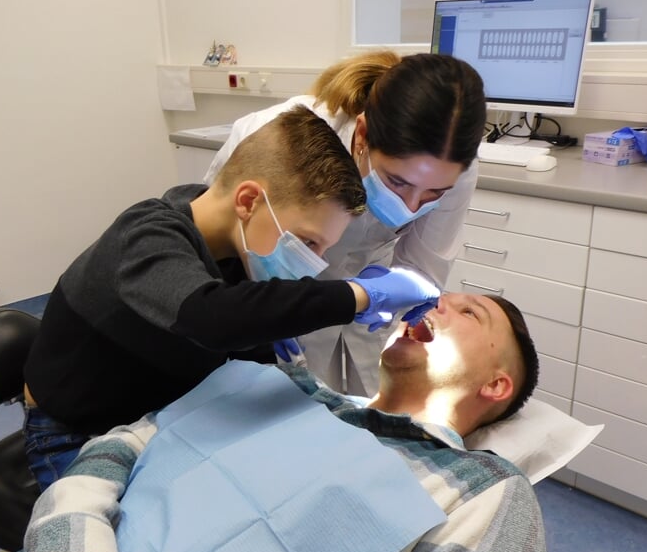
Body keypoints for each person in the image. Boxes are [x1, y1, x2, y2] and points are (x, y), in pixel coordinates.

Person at [20, 105, 441, 494]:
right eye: (309, 241)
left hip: (154, 415)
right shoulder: (147, 234)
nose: (316, 263)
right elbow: (213, 318)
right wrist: (361, 294)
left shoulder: (240, 256)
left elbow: (246, 334)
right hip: (76, 431)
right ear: (248, 201)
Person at [14, 292, 543, 552]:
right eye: (440, 297)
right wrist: (72, 546)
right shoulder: (276, 383)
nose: (437, 303)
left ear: (496, 386)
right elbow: (119, 446)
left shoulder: (482, 489)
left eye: (468, 311)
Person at [203, 50, 486, 397]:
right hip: (256, 299)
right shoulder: (277, 138)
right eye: (397, 182)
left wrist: (390, 294)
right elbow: (213, 247)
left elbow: (423, 267)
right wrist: (265, 311)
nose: (410, 206)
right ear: (364, 135)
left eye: (432, 194)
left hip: (361, 306)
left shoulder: (457, 170)